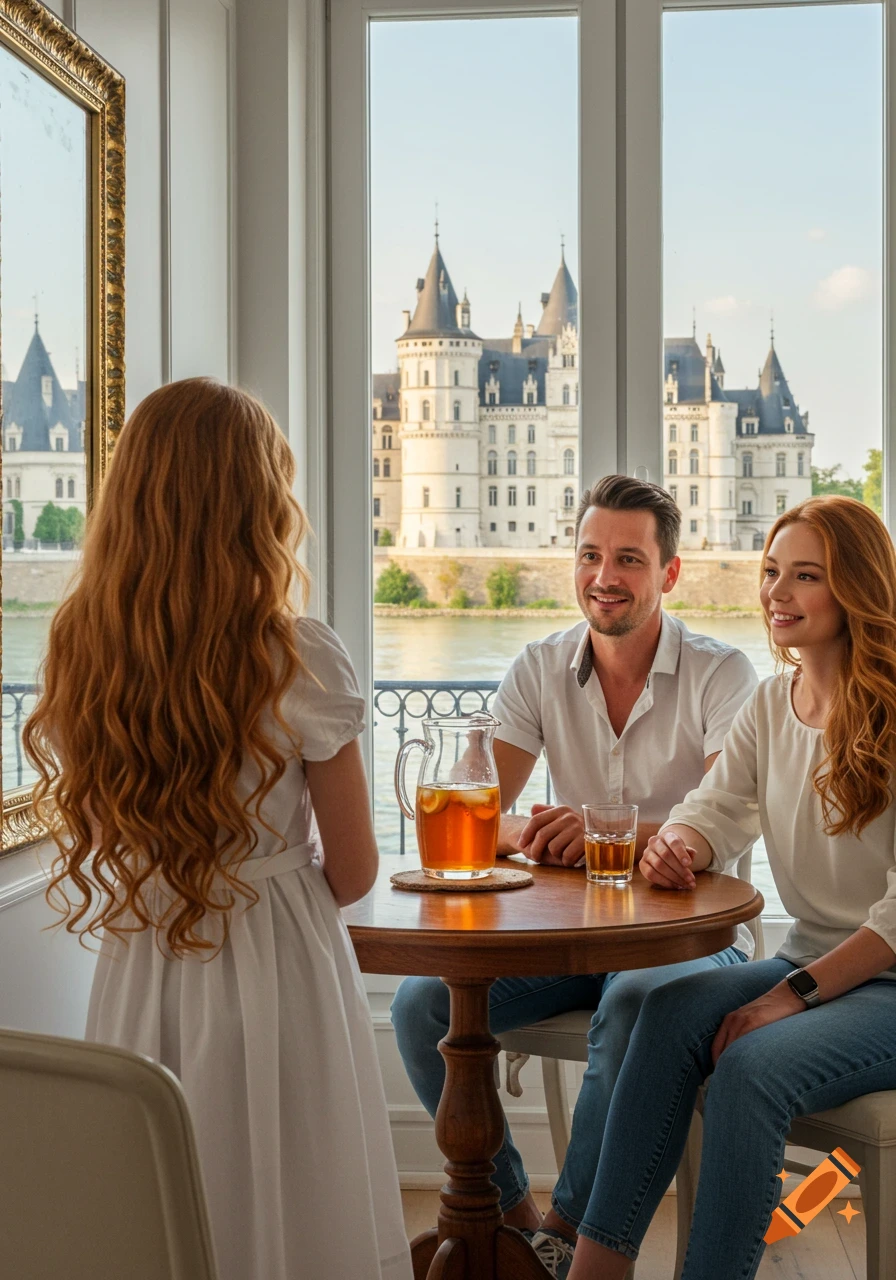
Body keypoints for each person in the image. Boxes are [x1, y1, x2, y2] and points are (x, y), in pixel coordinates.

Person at [24, 379, 412, 1280]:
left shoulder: (84, 644)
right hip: (276, 956)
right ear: (257, 504)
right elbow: (354, 871)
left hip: (143, 958)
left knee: (158, 1184)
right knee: (289, 1185)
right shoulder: (298, 654)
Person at [390, 474, 759, 1271]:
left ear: (669, 573)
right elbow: (476, 807)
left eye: (629, 558)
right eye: (590, 554)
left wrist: (597, 834)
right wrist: (536, 830)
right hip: (571, 939)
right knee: (420, 1005)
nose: (604, 576)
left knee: (632, 1005)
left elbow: (727, 810)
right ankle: (514, 1218)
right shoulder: (539, 667)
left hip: (690, 941)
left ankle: (563, 1234)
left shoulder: (722, 674)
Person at [564, 495, 896, 1280]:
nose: (777, 594)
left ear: (856, 588)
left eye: (805, 576)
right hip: (813, 962)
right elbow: (714, 810)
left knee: (750, 1067)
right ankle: (595, 1270)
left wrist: (791, 996)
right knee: (664, 1005)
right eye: (772, 572)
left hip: (880, 983)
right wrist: (675, 845)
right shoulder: (771, 706)